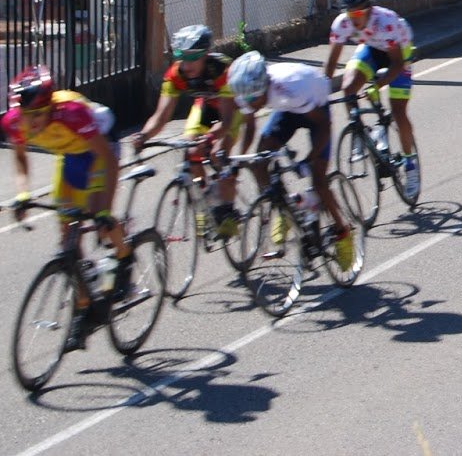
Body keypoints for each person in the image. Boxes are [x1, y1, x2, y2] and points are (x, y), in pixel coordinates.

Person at [5, 67, 132, 348]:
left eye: (38, 115)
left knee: (101, 220)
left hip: (101, 150)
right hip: (71, 155)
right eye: (27, 116)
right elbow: (21, 159)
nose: (32, 123)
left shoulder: (71, 113)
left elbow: (108, 162)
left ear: (50, 107)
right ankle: (85, 306)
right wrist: (23, 193)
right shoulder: (15, 121)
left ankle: (125, 256)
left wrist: (103, 211)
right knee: (68, 243)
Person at [226, 51, 355, 272]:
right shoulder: (247, 91)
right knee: (259, 161)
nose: (249, 103)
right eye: (245, 100)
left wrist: (311, 158)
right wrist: (238, 159)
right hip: (286, 109)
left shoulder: (291, 89)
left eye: (253, 99)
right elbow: (250, 128)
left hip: (315, 107)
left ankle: (343, 232)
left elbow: (324, 125)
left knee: (319, 180)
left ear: (265, 88)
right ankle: (284, 208)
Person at [128, 23, 251, 236]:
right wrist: (144, 135)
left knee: (217, 153)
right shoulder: (176, 74)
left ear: (206, 55)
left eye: (193, 58)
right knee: (190, 149)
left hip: (229, 109)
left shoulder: (222, 70)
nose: (186, 64)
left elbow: (228, 119)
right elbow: (161, 116)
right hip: (204, 106)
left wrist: (211, 137)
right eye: (181, 57)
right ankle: (204, 201)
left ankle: (228, 209)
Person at [322, 0, 420, 198]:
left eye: (357, 13)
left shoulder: (386, 22)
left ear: (369, 10)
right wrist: (320, 90)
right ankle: (359, 131)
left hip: (398, 53)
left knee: (398, 112)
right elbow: (330, 64)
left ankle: (410, 164)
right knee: (348, 88)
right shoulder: (342, 23)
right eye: (349, 14)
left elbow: (395, 64)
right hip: (372, 48)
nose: (352, 19)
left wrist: (377, 86)